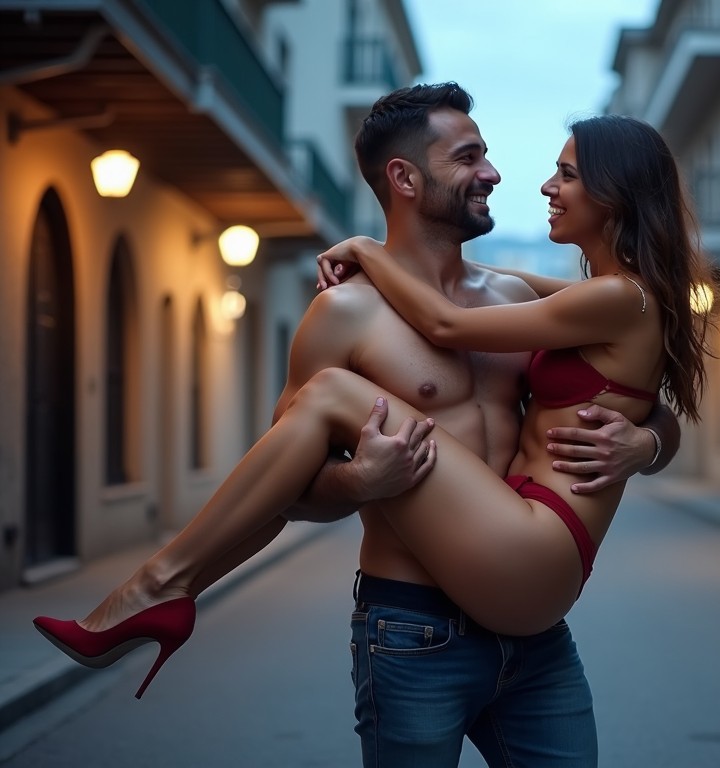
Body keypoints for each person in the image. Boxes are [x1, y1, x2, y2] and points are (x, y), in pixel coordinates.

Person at [34, 83, 686, 767]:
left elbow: (629, 393)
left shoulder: (517, 299)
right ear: (404, 177)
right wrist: (358, 481)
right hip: (412, 628)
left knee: (332, 393)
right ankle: (157, 591)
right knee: (329, 394)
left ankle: (159, 589)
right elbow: (288, 489)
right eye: (469, 158)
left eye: (488, 156)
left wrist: (646, 444)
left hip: (536, 635)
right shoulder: (344, 314)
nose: (495, 175)